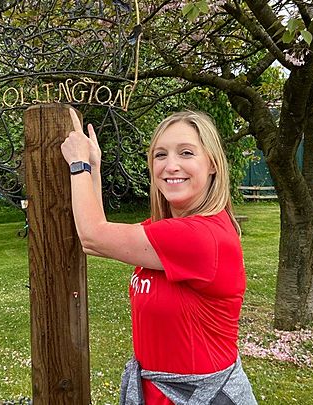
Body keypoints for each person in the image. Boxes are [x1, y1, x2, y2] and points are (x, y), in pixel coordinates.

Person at [61, 108, 257, 405]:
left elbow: (92, 235)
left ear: (213, 164)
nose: (170, 165)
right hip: (162, 394)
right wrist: (93, 167)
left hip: (202, 398)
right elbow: (97, 237)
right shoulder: (166, 231)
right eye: (160, 155)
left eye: (186, 153)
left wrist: (78, 165)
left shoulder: (202, 237)